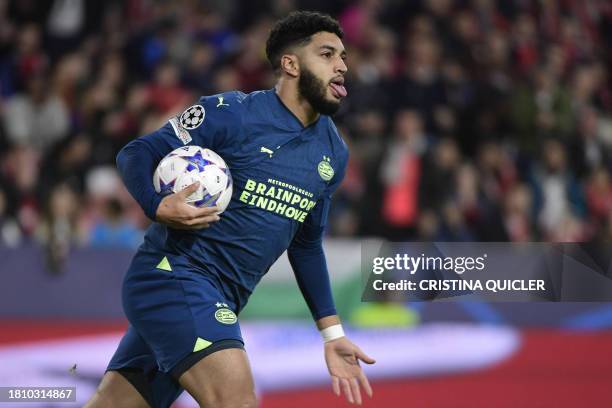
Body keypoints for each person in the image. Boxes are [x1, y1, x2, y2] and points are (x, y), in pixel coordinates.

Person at [85, 11, 375, 408]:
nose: (342, 66)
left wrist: (332, 334)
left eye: (343, 56)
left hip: (223, 298)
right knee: (236, 401)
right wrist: (157, 206)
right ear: (290, 64)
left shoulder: (333, 152)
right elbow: (137, 152)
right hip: (173, 276)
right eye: (327, 54)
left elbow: (306, 245)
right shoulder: (231, 113)